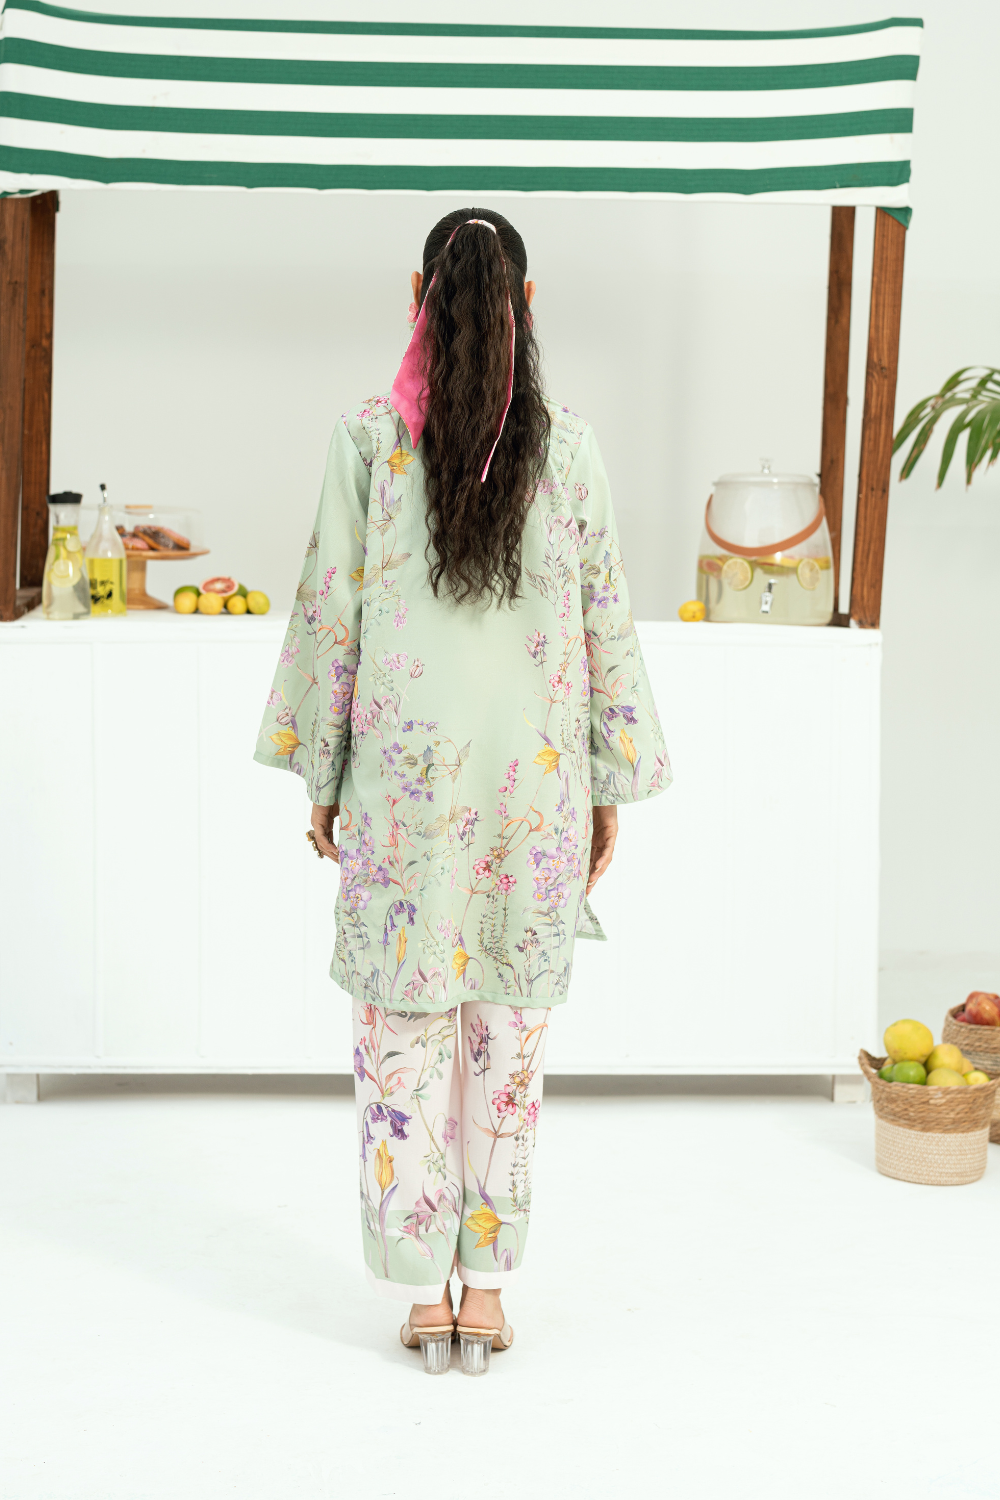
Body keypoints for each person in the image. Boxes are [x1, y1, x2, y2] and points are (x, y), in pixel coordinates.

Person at [255, 207, 669, 1374]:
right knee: (507, 1046)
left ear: (416, 299)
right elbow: (603, 620)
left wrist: (324, 777)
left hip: (404, 797)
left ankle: (420, 1286)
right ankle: (484, 1291)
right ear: (527, 304)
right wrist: (605, 785)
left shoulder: (365, 443)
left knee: (403, 1045)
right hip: (532, 796)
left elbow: (331, 614)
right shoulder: (569, 450)